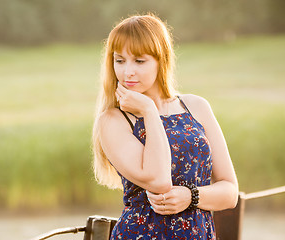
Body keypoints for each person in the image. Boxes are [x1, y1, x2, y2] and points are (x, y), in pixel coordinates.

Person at [92, 13, 238, 239]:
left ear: (162, 59)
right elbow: (159, 181)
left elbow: (230, 192)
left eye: (139, 61)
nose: (127, 71)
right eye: (119, 60)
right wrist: (149, 111)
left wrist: (191, 197)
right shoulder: (113, 120)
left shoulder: (196, 107)